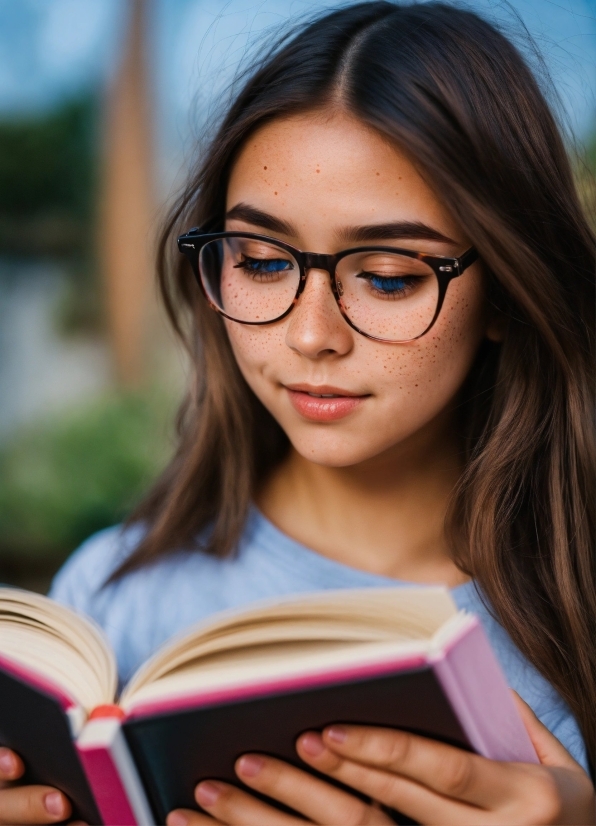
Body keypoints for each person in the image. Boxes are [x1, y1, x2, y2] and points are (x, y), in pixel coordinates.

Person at [1, 2, 594, 823]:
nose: (311, 335)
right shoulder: (111, 597)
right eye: (263, 262)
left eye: (387, 276)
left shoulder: (574, 606)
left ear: (505, 287)